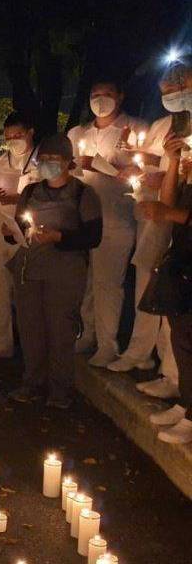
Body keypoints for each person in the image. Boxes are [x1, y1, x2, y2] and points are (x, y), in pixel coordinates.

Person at [5, 135, 102, 408]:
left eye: (54, 160)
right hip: (29, 268)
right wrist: (10, 234)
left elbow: (94, 237)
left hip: (65, 271)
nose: (47, 164)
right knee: (30, 329)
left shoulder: (83, 194)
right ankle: (32, 383)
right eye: (43, 159)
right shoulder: (30, 192)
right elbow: (21, 229)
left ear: (68, 162)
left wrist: (60, 237)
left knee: (61, 330)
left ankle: (60, 390)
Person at [68, 80, 149, 368]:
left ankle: (107, 344)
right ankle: (87, 334)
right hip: (82, 220)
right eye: (94, 95)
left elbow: (141, 174)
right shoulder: (78, 133)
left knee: (107, 285)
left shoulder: (136, 130)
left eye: (107, 94)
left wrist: (102, 166)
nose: (100, 100)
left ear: (120, 96)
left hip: (116, 219)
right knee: (86, 283)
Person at [123, 64, 190, 399]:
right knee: (165, 298)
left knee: (182, 310)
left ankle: (181, 384)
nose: (174, 95)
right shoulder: (167, 126)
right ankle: (170, 372)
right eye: (167, 91)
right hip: (167, 220)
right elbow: (161, 171)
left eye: (180, 87)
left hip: (182, 220)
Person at [136, 91, 192, 443]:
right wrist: (173, 163)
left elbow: (172, 211)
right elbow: (170, 200)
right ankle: (185, 404)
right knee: (182, 334)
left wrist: (168, 214)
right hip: (183, 254)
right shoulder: (183, 151)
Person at [0, 112, 38, 359]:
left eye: (19, 135)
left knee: (26, 292)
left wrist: (18, 200)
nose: (13, 141)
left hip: (28, 232)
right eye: (9, 137)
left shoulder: (41, 162)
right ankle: (1, 342)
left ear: (31, 132)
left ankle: (32, 345)